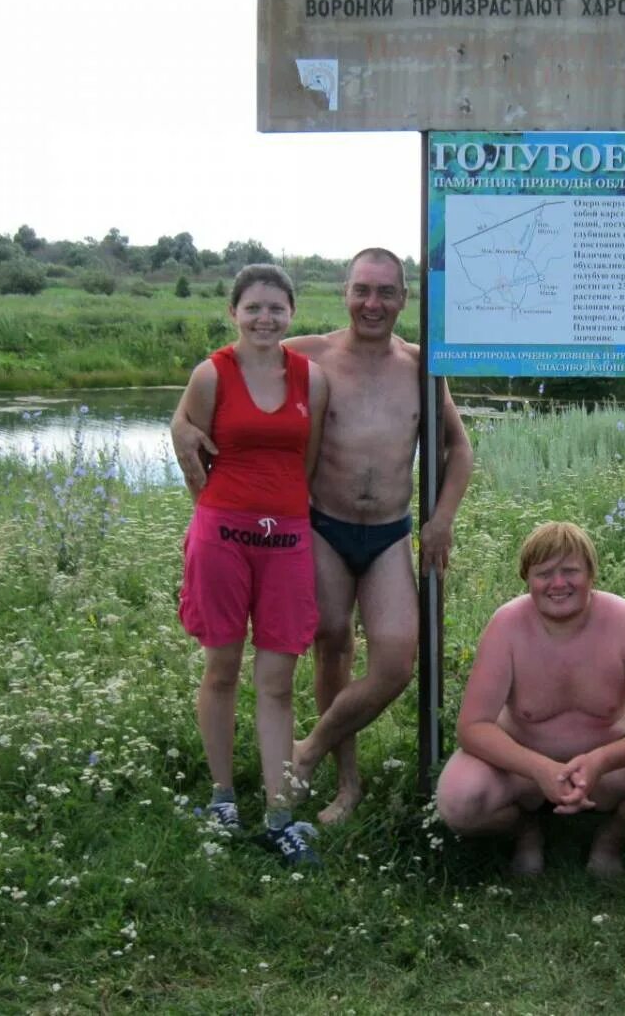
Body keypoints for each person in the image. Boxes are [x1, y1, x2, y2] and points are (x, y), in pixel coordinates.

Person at [173, 248, 474, 824]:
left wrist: (443, 519)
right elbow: (235, 371)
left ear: (404, 300)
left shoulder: (422, 366)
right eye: (363, 290)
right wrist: (178, 424)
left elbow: (458, 449)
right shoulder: (307, 354)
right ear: (345, 292)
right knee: (331, 644)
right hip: (322, 527)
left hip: (389, 533)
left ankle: (305, 751)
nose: (373, 303)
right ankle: (347, 784)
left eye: (386, 292)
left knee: (396, 663)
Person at [176, 263, 329, 866]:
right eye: (253, 307)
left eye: (276, 308)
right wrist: (220, 519)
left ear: (292, 313)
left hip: (288, 539)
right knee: (221, 669)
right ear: (233, 312)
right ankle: (221, 797)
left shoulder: (310, 380)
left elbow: (307, 463)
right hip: (222, 537)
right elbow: (190, 449)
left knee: (278, 680)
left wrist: (281, 516)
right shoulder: (210, 375)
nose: (265, 318)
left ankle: (279, 814)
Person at [435, 522, 625, 876]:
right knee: (460, 798)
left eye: (570, 571)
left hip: (610, 769)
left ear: (592, 574)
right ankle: (525, 830)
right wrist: (539, 768)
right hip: (523, 771)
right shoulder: (506, 626)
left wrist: (599, 761)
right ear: (526, 579)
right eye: (544, 573)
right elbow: (473, 727)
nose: (559, 584)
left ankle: (612, 835)